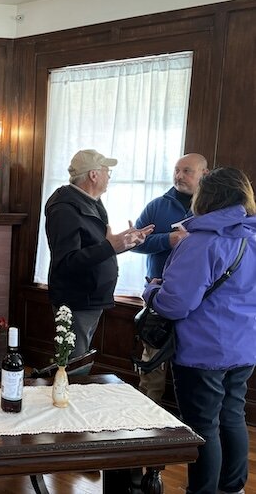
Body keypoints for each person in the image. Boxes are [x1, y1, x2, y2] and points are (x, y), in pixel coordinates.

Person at [143, 167, 256, 494]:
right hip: (244, 346)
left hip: (203, 350)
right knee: (232, 416)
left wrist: (150, 290)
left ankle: (203, 491)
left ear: (205, 197)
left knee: (203, 425)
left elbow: (175, 305)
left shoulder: (202, 242)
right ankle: (232, 488)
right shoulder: (251, 237)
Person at [44, 149, 153, 358]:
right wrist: (111, 246)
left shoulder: (90, 203)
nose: (109, 177)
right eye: (106, 171)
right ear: (93, 175)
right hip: (76, 298)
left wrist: (124, 243)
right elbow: (67, 261)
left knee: (79, 359)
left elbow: (95, 247)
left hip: (91, 296)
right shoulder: (65, 208)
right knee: (72, 362)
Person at [132, 153, 208, 402]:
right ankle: (147, 408)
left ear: (204, 175)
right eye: (177, 170)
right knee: (152, 356)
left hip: (199, 298)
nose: (179, 176)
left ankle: (182, 417)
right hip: (158, 293)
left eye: (187, 171)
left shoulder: (212, 209)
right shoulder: (157, 205)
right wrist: (168, 239)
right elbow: (135, 241)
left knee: (190, 357)